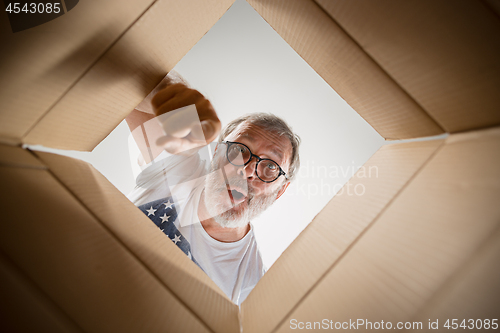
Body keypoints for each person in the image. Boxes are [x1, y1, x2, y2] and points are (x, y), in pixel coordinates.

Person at [125, 72, 300, 305]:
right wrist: (176, 97)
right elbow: (133, 79)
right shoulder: (175, 165)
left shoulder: (251, 288)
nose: (247, 170)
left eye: (270, 167)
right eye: (239, 150)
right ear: (217, 152)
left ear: (280, 191)